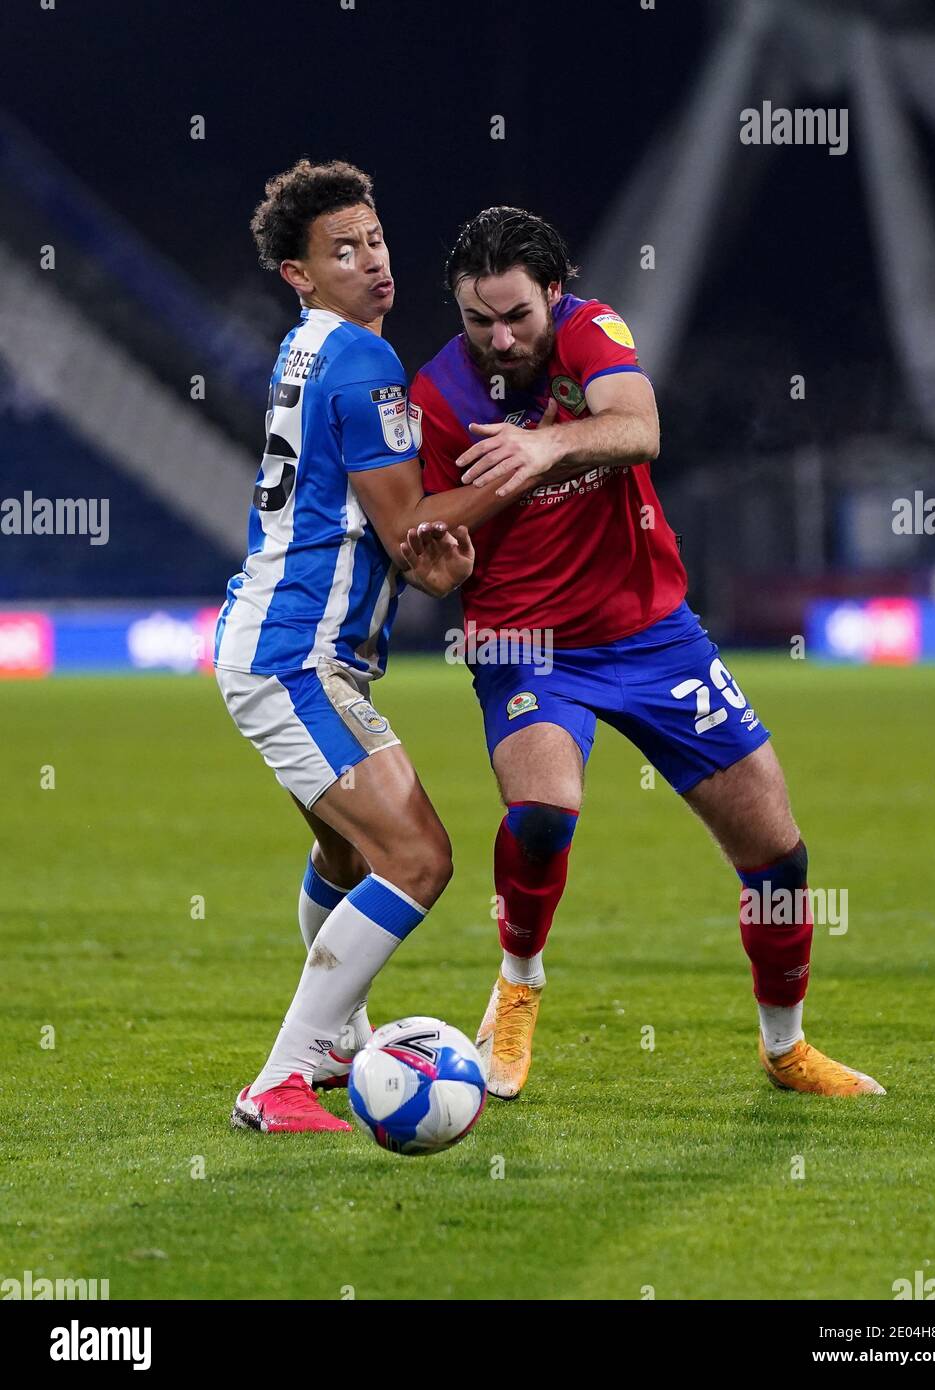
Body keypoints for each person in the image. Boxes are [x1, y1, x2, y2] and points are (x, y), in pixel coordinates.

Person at [409, 206, 884, 1101]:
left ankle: (784, 1048)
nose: (500, 339)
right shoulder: (436, 396)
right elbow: (429, 545)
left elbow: (637, 427)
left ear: (554, 293)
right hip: (524, 641)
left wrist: (544, 442)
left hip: (654, 633)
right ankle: (516, 986)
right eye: (478, 320)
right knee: (543, 814)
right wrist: (440, 571)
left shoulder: (592, 330)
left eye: (516, 315)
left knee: (778, 859)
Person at [215, 162, 523, 1133]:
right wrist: (526, 461)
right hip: (292, 657)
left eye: (376, 240)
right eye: (341, 252)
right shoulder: (360, 361)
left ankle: (343, 1038)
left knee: (346, 852)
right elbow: (412, 524)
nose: (372, 263)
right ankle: (282, 1078)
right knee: (420, 856)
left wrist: (427, 562)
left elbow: (400, 540)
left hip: (274, 642)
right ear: (297, 274)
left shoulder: (307, 349)